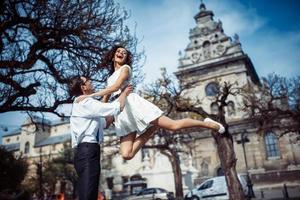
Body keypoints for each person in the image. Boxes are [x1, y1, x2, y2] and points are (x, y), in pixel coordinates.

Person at [77, 45, 225, 160]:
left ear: (126, 58)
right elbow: (106, 102)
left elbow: (115, 87)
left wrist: (92, 95)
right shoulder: (110, 77)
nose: (121, 53)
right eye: (119, 51)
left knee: (173, 126)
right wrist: (100, 117)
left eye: (125, 53)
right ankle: (152, 128)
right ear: (113, 56)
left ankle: (208, 123)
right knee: (126, 154)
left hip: (132, 105)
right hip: (121, 113)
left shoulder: (125, 69)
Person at [69, 75, 132, 200]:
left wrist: (117, 102)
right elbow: (116, 108)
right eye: (88, 81)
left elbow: (105, 122)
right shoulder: (85, 102)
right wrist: (124, 93)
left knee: (88, 192)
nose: (92, 82)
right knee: (88, 194)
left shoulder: (85, 105)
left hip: (86, 151)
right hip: (88, 150)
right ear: (83, 87)